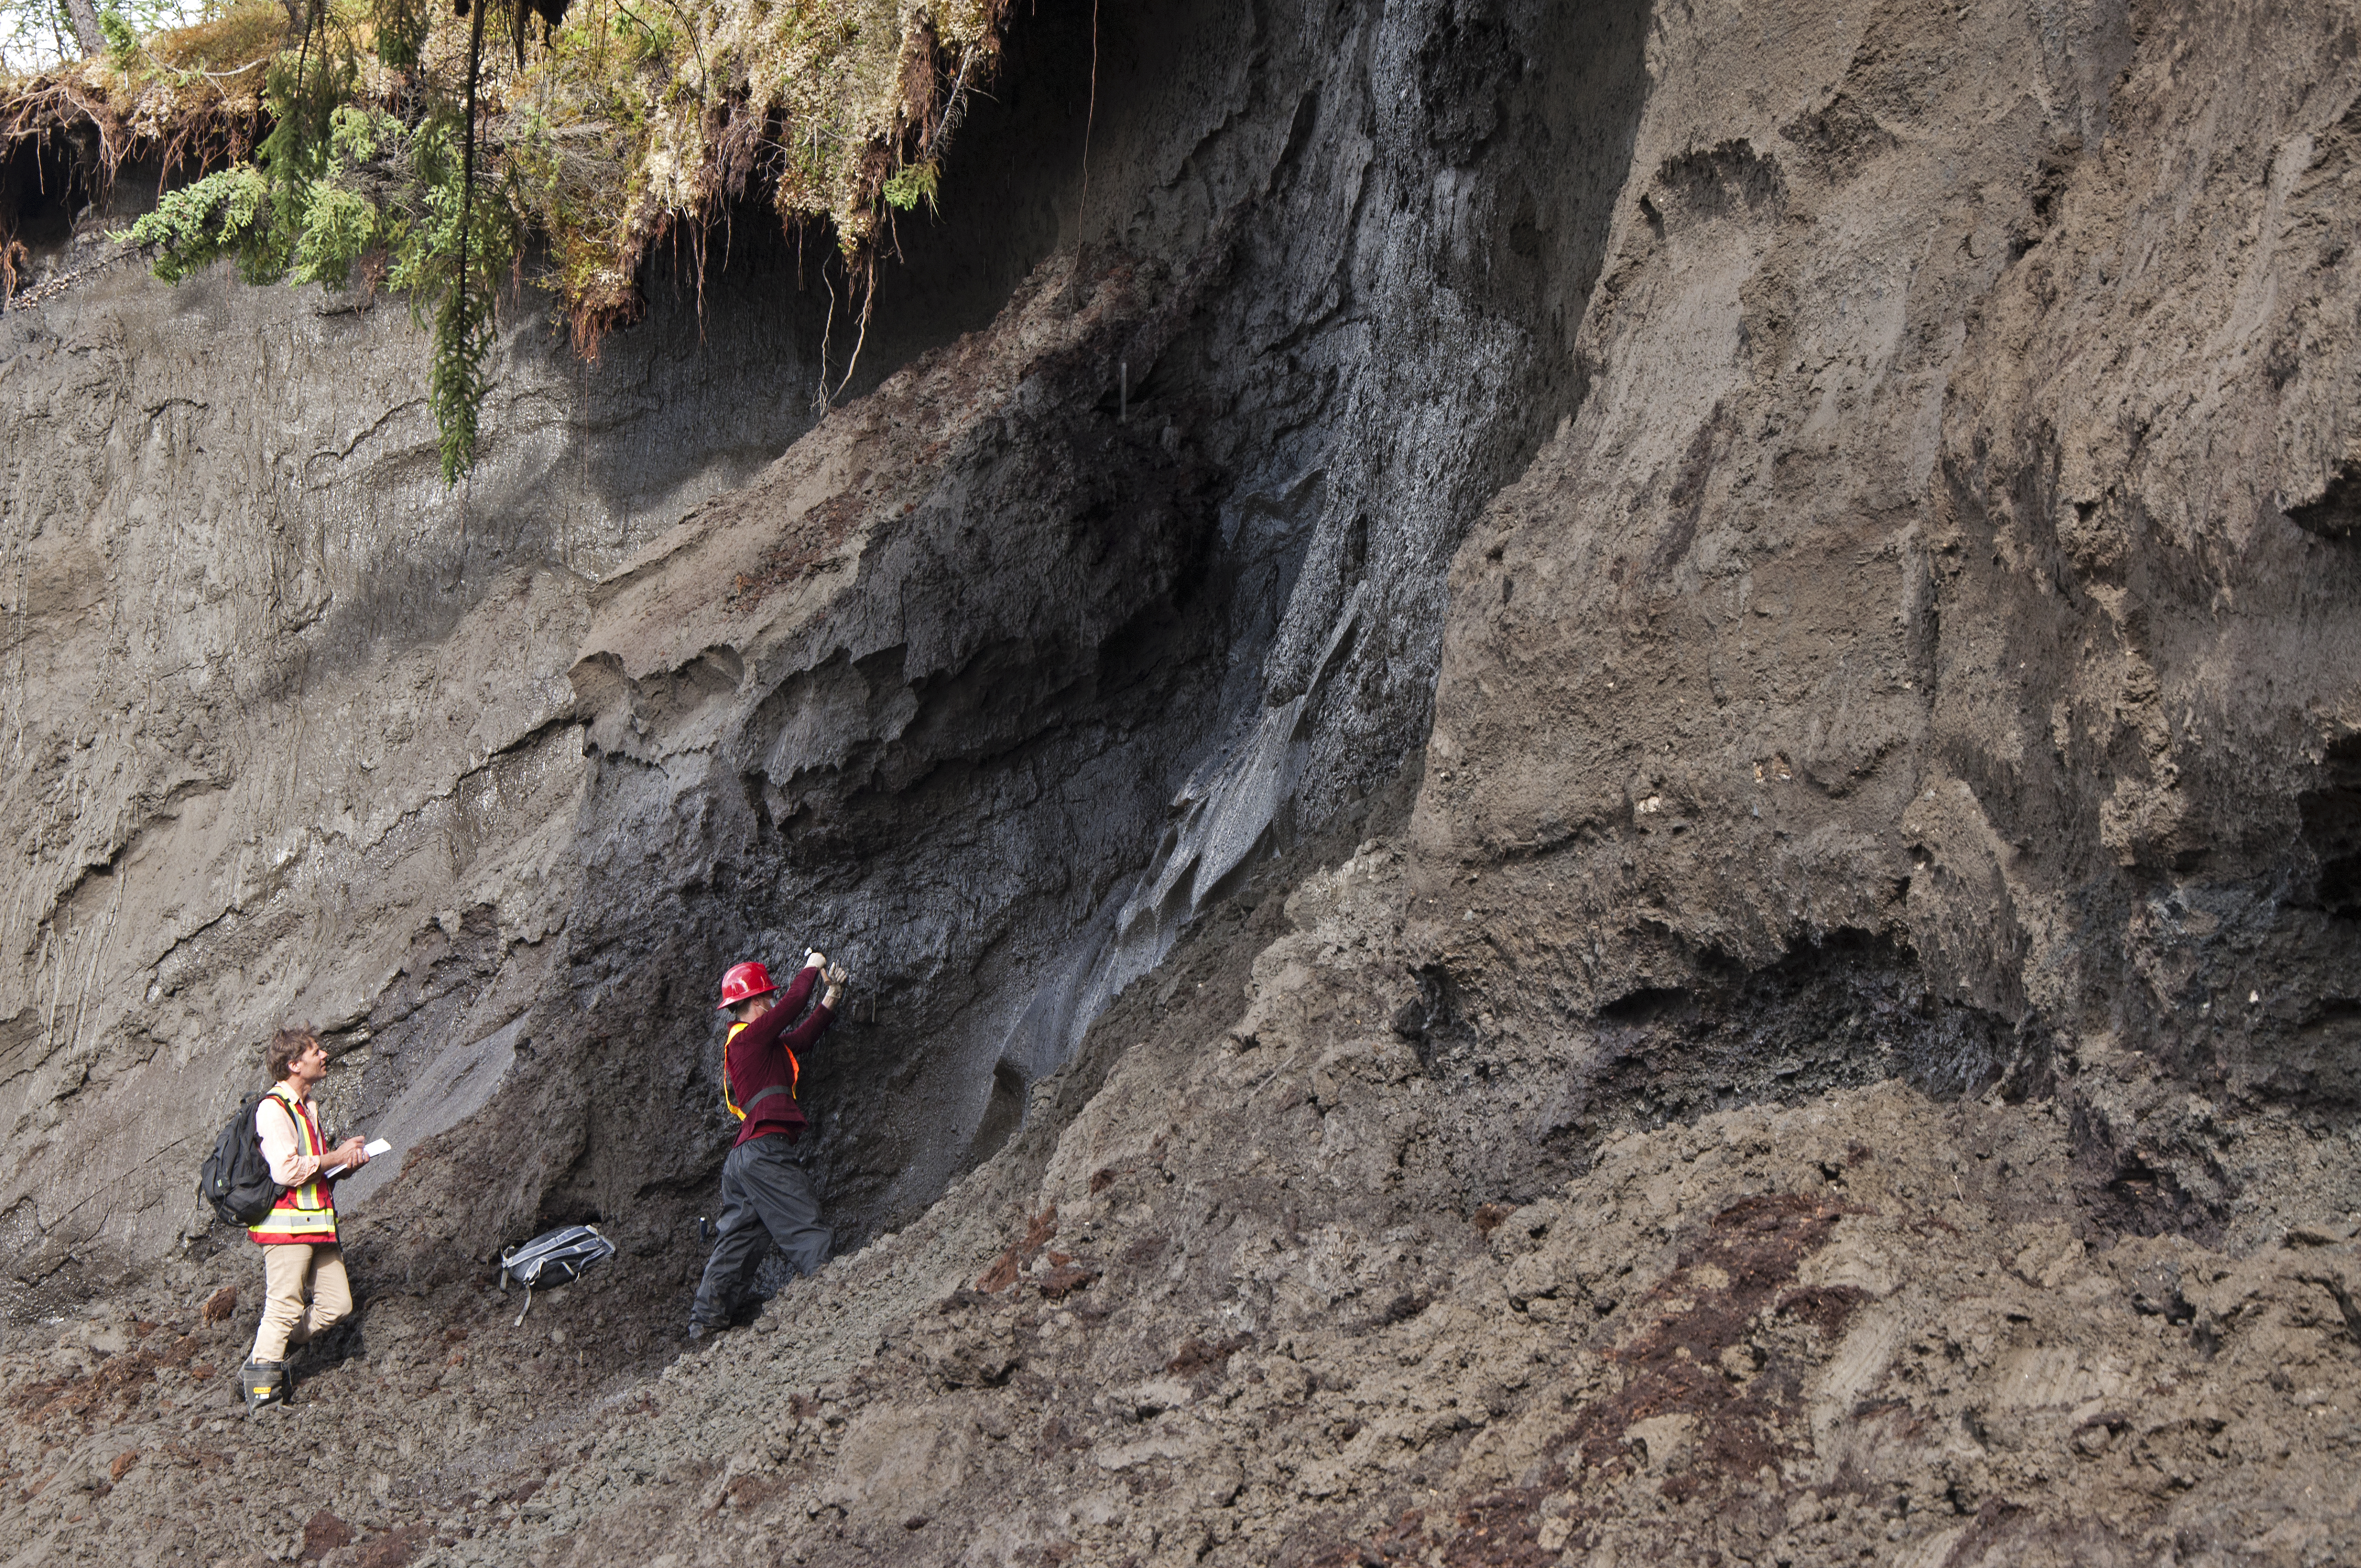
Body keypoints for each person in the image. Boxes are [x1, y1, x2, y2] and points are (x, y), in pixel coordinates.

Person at [687, 950, 848, 1340]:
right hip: (763, 1153)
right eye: (769, 998)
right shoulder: (748, 1039)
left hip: (743, 1160)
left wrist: (832, 998)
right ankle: (838, 1294)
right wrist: (813, 965)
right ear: (757, 1002)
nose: (774, 1003)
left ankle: (705, 1323)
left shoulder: (760, 1046)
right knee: (803, 1221)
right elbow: (793, 1005)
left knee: (740, 1241)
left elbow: (803, 1038)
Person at [240, 1027, 371, 1412]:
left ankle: (261, 1359)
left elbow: (314, 1171)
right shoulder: (273, 1108)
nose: (324, 1055)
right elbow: (285, 1171)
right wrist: (335, 1156)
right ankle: (263, 1397)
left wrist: (345, 1165)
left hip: (317, 1225)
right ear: (295, 1064)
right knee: (283, 1306)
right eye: (316, 1051)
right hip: (287, 1230)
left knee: (337, 1304)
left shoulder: (306, 1107)